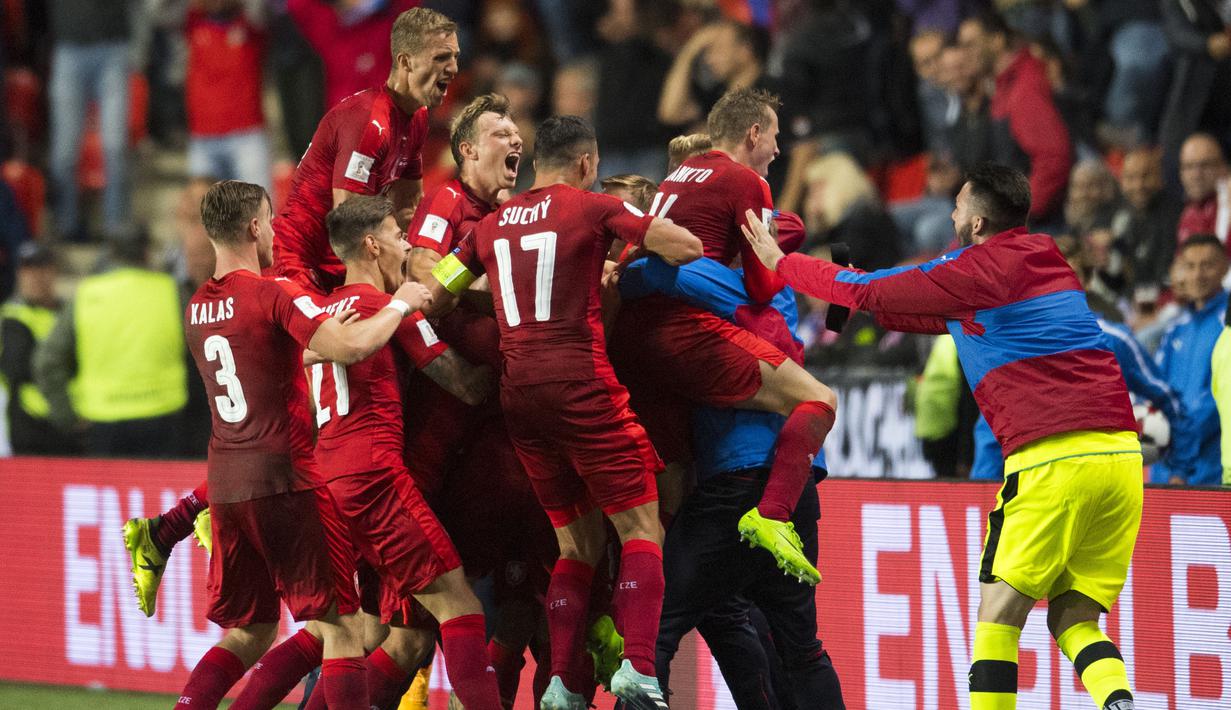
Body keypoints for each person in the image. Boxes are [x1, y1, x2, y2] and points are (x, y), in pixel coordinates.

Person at [742, 162, 1142, 710]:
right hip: (1121, 461)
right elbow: (929, 314)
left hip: (1052, 463)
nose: (950, 213)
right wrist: (854, 295)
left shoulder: (972, 268)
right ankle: (1119, 701)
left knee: (997, 617)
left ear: (977, 223)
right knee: (1075, 615)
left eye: (957, 206)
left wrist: (783, 264)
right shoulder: (1047, 259)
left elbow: (875, 292)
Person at [425, 115, 703, 710]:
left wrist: (498, 283)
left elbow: (440, 288)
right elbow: (685, 247)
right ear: (584, 163)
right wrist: (625, 252)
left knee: (575, 546)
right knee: (640, 527)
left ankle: (559, 685)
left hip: (518, 396)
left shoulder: (493, 225)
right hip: (581, 384)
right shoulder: (594, 207)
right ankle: (640, 669)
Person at [171, 180, 431, 710]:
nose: (273, 232)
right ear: (253, 227)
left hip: (226, 483)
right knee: (344, 628)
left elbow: (265, 357)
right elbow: (354, 347)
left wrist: (311, 334)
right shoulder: (273, 292)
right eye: (269, 221)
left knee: (253, 630)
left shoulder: (198, 306)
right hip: (285, 478)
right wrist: (400, 305)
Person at [234, 195, 500, 710]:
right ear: (373, 245)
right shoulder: (387, 308)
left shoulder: (324, 313)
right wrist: (514, 360)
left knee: (335, 630)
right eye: (399, 236)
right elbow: (463, 385)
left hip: (326, 478)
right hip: (373, 476)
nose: (406, 245)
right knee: (460, 608)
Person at [607, 88, 838, 584]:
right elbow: (760, 285)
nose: (778, 150)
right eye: (775, 137)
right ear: (753, 133)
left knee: (669, 490)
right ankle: (773, 515)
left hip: (630, 337)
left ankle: (624, 612)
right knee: (819, 399)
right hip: (684, 333)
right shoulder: (745, 180)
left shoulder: (675, 179)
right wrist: (779, 263)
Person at [617, 250, 846, 709]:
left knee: (653, 628)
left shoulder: (706, 286)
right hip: (794, 484)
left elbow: (630, 276)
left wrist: (628, 248)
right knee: (801, 648)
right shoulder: (775, 291)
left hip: (733, 487)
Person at [274, 6, 459, 295]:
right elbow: (348, 220)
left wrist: (434, 255)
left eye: (454, 57)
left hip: (348, 259)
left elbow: (407, 207)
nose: (453, 69)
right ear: (406, 62)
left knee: (442, 291)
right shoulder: (370, 122)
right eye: (440, 58)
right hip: (302, 264)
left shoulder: (417, 117)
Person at [34, 229, 189, 458]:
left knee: (112, 491)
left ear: (111, 255)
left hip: (102, 422)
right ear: (146, 254)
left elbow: (47, 361)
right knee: (155, 492)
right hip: (163, 418)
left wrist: (67, 417)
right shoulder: (172, 291)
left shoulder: (87, 294)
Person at [958, 11, 1073, 223]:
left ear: (997, 40)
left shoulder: (1024, 89)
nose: (963, 54)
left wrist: (1014, 219)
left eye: (970, 44)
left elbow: (1053, 160)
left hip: (1040, 222)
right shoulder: (1003, 88)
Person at [407, 93, 522, 282]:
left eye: (516, 134)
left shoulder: (508, 212)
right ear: (469, 150)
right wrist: (471, 268)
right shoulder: (448, 197)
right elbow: (422, 272)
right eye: (502, 135)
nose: (518, 141)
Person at [47, 0, 136, 241]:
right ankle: (66, 224)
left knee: (115, 146)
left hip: (113, 45)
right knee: (63, 152)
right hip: (68, 46)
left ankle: (116, 227)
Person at [1152, 234, 1227, 485]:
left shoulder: (1227, 323)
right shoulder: (1176, 327)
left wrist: (1181, 459)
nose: (1197, 275)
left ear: (1225, 267)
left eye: (1207, 265)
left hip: (1209, 470)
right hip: (1167, 469)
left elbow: (1218, 399)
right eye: (1190, 266)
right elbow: (1157, 388)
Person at [184, 0, 271, 189]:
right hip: (202, 138)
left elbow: (260, 7)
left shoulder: (251, 23)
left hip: (247, 137)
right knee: (204, 216)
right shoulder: (193, 21)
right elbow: (159, 11)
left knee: (257, 213)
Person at [0, 242, 76, 455]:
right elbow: (17, 367)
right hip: (30, 422)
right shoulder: (13, 316)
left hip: (70, 420)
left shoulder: (68, 312)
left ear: (54, 271)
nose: (34, 277)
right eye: (27, 270)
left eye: (41, 268)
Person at [1109, 147, 1182, 293]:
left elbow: (1166, 277)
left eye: (1146, 176)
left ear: (1161, 178)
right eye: (1130, 178)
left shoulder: (1175, 216)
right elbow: (1115, 275)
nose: (1138, 185)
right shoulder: (1120, 216)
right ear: (1121, 181)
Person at [1175, 132, 1230, 247]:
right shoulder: (1184, 211)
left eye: (1205, 165)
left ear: (1223, 168)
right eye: (1189, 167)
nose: (1196, 175)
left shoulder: (1227, 206)